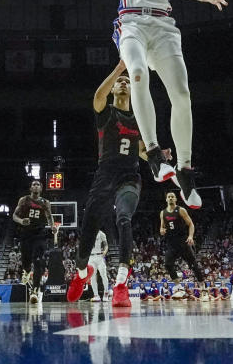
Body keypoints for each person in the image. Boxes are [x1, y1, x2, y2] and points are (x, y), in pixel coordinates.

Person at [91, 0, 227, 209]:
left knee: (181, 94)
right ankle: (153, 154)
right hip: (131, 24)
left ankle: (185, 170)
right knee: (137, 72)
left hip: (164, 27)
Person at [67, 61, 150, 307]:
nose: (124, 83)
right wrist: (119, 69)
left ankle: (121, 283)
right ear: (114, 89)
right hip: (105, 174)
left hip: (129, 176)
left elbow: (143, 151)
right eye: (119, 82)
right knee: (89, 227)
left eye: (127, 81)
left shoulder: (140, 119)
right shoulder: (106, 113)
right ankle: (82, 274)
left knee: (124, 218)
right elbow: (97, 95)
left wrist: (158, 157)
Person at [12, 180, 57, 304]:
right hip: (26, 234)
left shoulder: (45, 203)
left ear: (41, 188)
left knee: (38, 262)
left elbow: (49, 216)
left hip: (40, 235)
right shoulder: (24, 200)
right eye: (34, 184)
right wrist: (21, 221)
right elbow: (14, 216)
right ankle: (26, 271)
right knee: (26, 261)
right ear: (30, 188)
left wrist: (52, 226)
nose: (36, 186)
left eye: (38, 184)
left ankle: (35, 291)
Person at [159, 192, 205, 286]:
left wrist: (190, 236)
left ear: (176, 199)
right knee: (168, 264)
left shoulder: (181, 210)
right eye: (169, 197)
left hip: (182, 242)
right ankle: (178, 286)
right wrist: (162, 230)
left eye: (172, 197)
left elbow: (191, 224)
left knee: (193, 265)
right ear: (166, 199)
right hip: (171, 243)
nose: (171, 198)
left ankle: (202, 285)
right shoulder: (163, 213)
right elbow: (162, 227)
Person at [88, 229, 110, 302]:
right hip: (90, 257)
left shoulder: (101, 234)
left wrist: (105, 251)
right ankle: (96, 295)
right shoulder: (88, 233)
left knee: (103, 275)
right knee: (92, 277)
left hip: (99, 256)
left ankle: (106, 294)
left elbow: (106, 245)